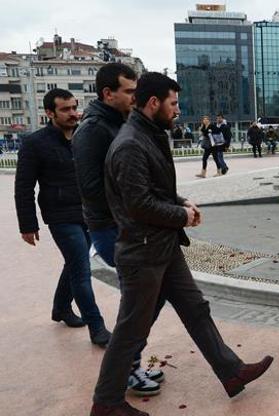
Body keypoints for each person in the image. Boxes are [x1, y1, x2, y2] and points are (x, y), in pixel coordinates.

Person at [90, 72, 272, 416]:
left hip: (163, 246)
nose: (178, 110)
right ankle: (106, 403)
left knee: (195, 309)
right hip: (143, 252)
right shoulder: (130, 144)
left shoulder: (148, 135)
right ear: (154, 103)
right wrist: (181, 216)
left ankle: (231, 372)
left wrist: (181, 201)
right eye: (173, 103)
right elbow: (137, 204)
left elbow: (154, 189)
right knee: (131, 330)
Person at [73, 62, 164, 397]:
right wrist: (139, 204)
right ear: (107, 93)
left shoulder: (121, 123)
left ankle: (129, 360)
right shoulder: (93, 130)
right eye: (128, 91)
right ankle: (127, 367)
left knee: (148, 296)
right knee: (138, 299)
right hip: (112, 229)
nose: (134, 96)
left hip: (127, 225)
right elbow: (92, 188)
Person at [14, 88, 111, 347]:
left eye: (74, 107)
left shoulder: (83, 137)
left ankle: (60, 308)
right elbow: (24, 187)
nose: (72, 113)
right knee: (81, 268)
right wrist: (27, 225)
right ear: (49, 113)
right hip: (60, 216)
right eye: (65, 109)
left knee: (74, 263)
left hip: (88, 213)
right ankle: (97, 327)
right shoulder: (35, 143)